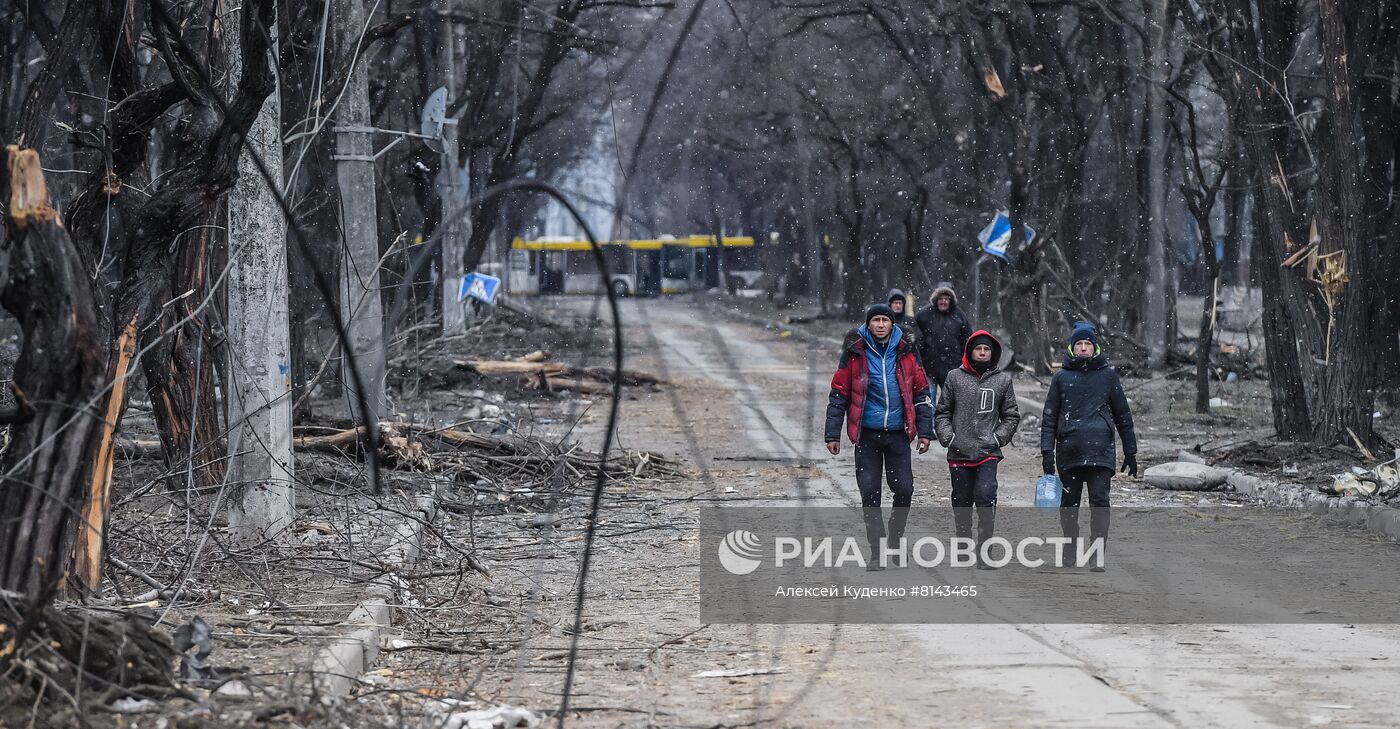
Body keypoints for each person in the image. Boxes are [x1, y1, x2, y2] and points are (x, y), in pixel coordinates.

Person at [825, 304, 934, 570]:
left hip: (898, 435)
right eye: (876, 320)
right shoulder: (855, 352)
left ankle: (895, 540)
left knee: (904, 489)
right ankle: (877, 551)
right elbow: (839, 393)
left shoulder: (907, 350)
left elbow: (921, 393)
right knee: (870, 493)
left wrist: (925, 432)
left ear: (892, 324)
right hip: (867, 436)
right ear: (869, 324)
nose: (881, 325)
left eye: (885, 320)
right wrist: (832, 433)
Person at [1040, 321, 1138, 572]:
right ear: (1073, 349)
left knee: (1100, 502)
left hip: (1100, 451)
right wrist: (1046, 452)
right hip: (1069, 451)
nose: (1083, 348)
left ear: (1094, 348)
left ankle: (1097, 555)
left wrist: (1131, 450)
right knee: (1068, 505)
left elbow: (1122, 415)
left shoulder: (1107, 377)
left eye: (1088, 344)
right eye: (1079, 344)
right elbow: (1049, 417)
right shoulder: (1061, 378)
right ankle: (1070, 547)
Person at [934, 330, 1020, 568]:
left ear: (993, 353)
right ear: (970, 351)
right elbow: (942, 412)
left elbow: (1011, 416)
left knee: (985, 498)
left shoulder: (1002, 381)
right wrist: (948, 437)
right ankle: (963, 548)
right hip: (959, 452)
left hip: (987, 453)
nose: (982, 352)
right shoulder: (955, 378)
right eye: (978, 349)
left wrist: (997, 438)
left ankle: (985, 552)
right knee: (961, 502)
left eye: (987, 349)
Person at [915, 284, 973, 399]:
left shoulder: (959, 315)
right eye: (941, 299)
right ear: (936, 300)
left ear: (951, 301)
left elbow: (967, 339)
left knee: (950, 403)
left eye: (946, 299)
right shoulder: (924, 314)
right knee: (928, 401)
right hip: (928, 367)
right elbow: (916, 334)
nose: (943, 302)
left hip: (952, 368)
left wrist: (964, 362)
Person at [841, 289, 920, 356]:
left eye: (900, 303)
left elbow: (918, 339)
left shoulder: (910, 321)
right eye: (896, 303)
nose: (898, 306)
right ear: (890, 304)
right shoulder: (878, 320)